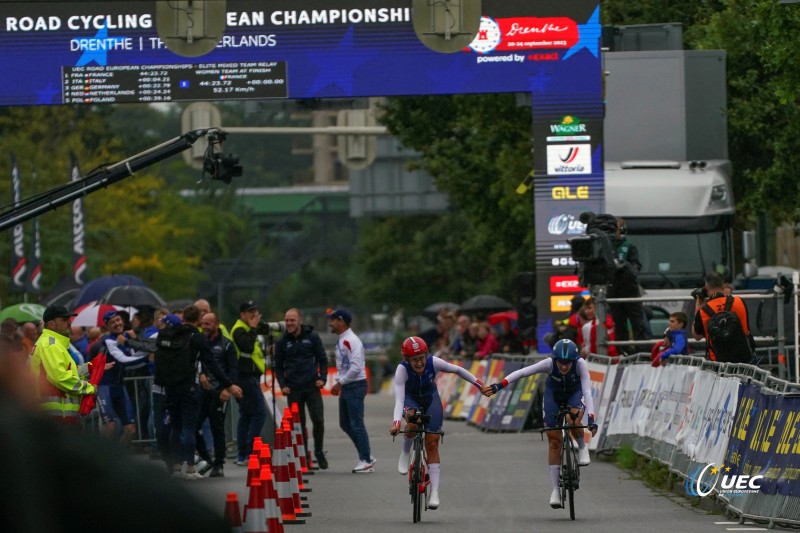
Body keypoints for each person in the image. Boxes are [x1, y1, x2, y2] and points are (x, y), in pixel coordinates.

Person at [483, 339, 597, 509]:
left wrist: (592, 419)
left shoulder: (580, 364)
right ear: (555, 359)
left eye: (568, 363)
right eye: (561, 363)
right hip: (553, 395)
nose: (564, 367)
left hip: (575, 392)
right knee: (554, 441)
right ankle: (555, 490)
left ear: (574, 361)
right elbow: (523, 372)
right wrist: (500, 385)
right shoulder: (548, 363)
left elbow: (587, 391)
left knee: (573, 420)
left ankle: (581, 447)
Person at [389, 336, 485, 509]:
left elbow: (458, 370)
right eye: (414, 360)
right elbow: (399, 400)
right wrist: (396, 422)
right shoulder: (401, 370)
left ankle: (434, 492)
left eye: (421, 358)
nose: (419, 363)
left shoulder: (434, 362)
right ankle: (405, 452)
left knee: (432, 443)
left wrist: (479, 384)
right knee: (412, 420)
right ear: (406, 360)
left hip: (430, 397)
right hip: (410, 399)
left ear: (426, 354)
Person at [155, 310, 242, 478]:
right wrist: (229, 385)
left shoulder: (169, 334)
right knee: (188, 428)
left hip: (170, 387)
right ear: (198, 320)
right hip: (189, 388)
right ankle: (190, 468)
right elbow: (212, 364)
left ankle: (176, 467)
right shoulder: (196, 337)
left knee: (175, 427)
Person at [275, 307, 329, 469]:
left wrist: (323, 378)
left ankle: (319, 452)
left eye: (292, 320)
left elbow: (323, 359)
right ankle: (305, 456)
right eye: (287, 320)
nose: (289, 323)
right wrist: (283, 385)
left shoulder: (312, 337)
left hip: (312, 386)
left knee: (318, 420)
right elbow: (278, 367)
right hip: (293, 389)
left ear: (300, 320)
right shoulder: (282, 341)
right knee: (298, 425)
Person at [29, 305, 100, 424]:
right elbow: (60, 378)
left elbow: (68, 372)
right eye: (64, 320)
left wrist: (91, 367)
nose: (69, 322)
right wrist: (89, 388)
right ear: (52, 324)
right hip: (57, 416)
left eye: (69, 319)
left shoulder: (53, 343)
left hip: (58, 415)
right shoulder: (51, 345)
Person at [328, 308, 375, 473]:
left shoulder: (351, 340)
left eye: (332, 319)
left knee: (356, 423)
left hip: (354, 385)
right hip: (349, 385)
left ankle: (365, 460)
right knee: (345, 423)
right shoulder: (343, 339)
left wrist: (339, 383)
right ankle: (366, 455)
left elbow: (356, 367)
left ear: (341, 321)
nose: (330, 322)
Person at [195, 311, 238, 477]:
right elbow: (196, 361)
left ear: (216, 324)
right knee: (193, 426)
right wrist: (200, 374)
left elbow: (233, 369)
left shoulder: (226, 344)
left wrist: (227, 389)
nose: (204, 327)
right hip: (202, 391)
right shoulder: (200, 342)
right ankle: (207, 459)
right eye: (202, 323)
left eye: (208, 324)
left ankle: (219, 464)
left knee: (217, 429)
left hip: (219, 393)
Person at [96, 310, 148, 445]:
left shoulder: (126, 336)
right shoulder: (107, 340)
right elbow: (124, 360)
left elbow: (137, 355)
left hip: (119, 386)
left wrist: (134, 340)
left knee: (130, 430)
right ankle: (99, 459)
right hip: (104, 387)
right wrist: (149, 357)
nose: (117, 324)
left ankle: (117, 458)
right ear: (107, 326)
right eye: (112, 323)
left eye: (118, 320)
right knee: (110, 427)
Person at [230, 300, 268, 465]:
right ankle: (252, 452)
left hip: (249, 376)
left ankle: (243, 455)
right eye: (249, 311)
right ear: (242, 314)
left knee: (246, 415)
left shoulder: (246, 328)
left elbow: (265, 330)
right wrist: (253, 328)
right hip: (245, 376)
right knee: (259, 413)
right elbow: (247, 347)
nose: (253, 314)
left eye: (255, 311)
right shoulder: (239, 329)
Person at [692, 272, 752, 362]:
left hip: (719, 364)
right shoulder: (739, 301)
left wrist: (698, 309)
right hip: (745, 360)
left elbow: (697, 336)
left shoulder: (703, 311)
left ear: (706, 287)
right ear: (723, 286)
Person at [607, 217, 647, 353]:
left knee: (637, 322)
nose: (614, 232)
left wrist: (625, 266)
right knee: (619, 323)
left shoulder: (629, 246)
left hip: (629, 288)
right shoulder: (606, 247)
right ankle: (622, 351)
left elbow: (636, 267)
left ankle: (640, 351)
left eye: (616, 229)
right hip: (613, 288)